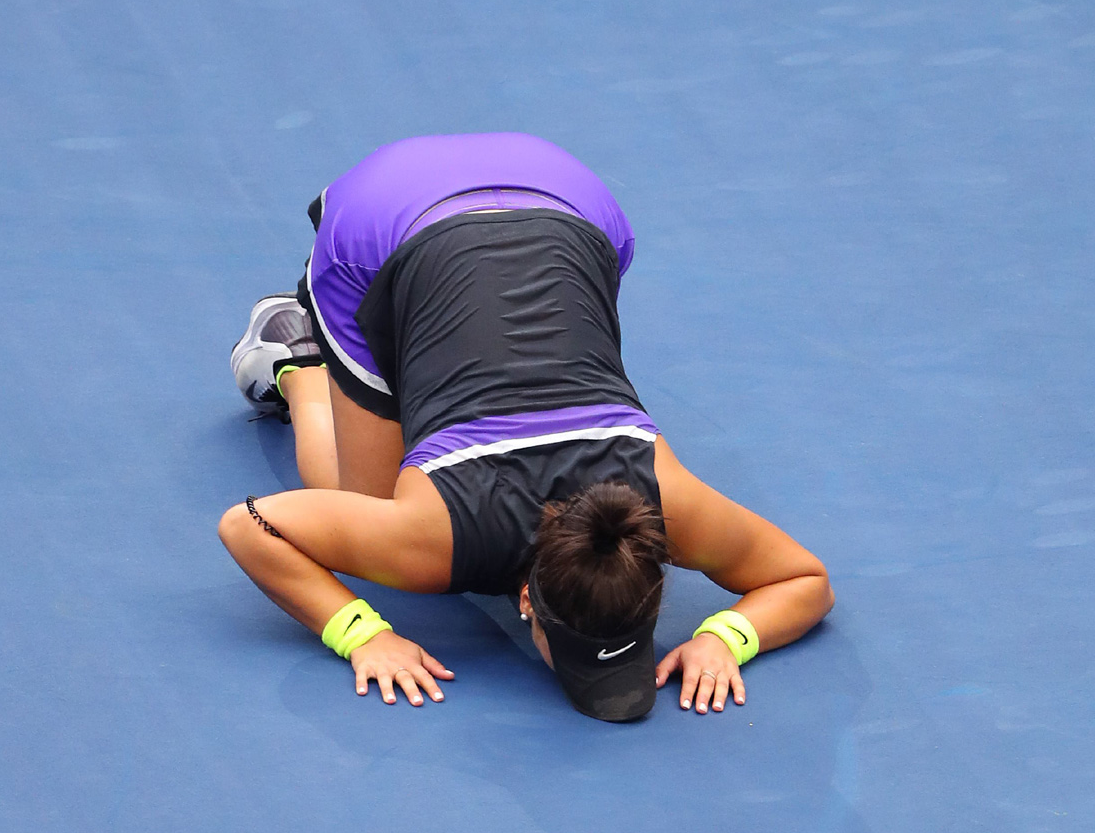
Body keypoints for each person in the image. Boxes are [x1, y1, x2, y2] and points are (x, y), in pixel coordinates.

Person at [218, 133, 833, 722]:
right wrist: (362, 635)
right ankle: (294, 354)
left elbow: (806, 578)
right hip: (379, 219)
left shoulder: (670, 505)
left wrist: (727, 637)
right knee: (366, 502)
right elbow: (249, 526)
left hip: (571, 194)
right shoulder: (431, 542)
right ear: (524, 603)